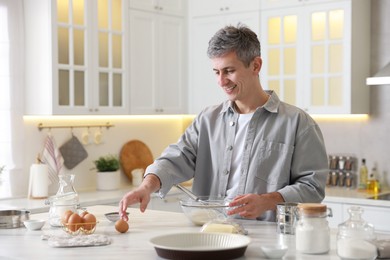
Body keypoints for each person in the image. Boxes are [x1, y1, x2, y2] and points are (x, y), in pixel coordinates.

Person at [119, 24, 328, 222]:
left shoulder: (297, 123)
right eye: (216, 72)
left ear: (256, 65)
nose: (221, 81)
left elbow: (312, 187)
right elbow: (177, 158)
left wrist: (268, 201)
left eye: (229, 71)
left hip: (268, 236)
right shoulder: (207, 119)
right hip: (210, 231)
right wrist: (146, 187)